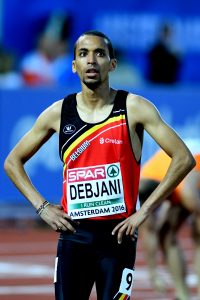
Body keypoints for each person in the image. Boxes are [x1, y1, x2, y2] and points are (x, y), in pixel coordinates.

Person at [4, 30, 195, 300]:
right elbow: (13, 162)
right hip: (74, 237)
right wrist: (42, 207)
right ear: (74, 65)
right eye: (83, 54)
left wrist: (145, 211)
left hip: (119, 239)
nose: (91, 60)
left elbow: (183, 158)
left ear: (112, 64)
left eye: (99, 54)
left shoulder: (134, 108)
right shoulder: (59, 112)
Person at [139, 149, 200, 300]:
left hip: (190, 172)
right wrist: (153, 274)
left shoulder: (186, 192)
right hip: (171, 176)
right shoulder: (140, 187)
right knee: (165, 234)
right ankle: (182, 295)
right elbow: (147, 232)